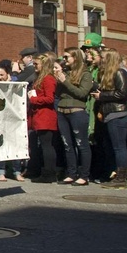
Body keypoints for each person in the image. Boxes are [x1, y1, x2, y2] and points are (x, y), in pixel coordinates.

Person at [53, 48, 94, 185]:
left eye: (67, 57)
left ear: (75, 58)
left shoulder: (85, 74)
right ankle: (71, 173)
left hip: (77, 111)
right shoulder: (66, 73)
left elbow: (82, 93)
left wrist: (65, 81)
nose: (64, 60)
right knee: (67, 144)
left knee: (81, 144)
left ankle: (84, 175)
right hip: (62, 110)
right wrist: (58, 79)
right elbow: (58, 93)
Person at [93, 49, 127, 188]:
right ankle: (117, 173)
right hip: (111, 113)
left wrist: (102, 96)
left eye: (103, 57)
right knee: (114, 146)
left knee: (119, 146)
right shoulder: (107, 74)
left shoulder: (120, 72)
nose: (101, 60)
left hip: (119, 113)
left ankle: (122, 177)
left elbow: (122, 93)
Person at [24, 54, 59, 184]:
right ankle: (45, 172)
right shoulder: (41, 78)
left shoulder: (48, 79)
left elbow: (50, 98)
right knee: (43, 145)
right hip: (39, 115)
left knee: (46, 145)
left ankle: (49, 173)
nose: (34, 66)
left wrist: (34, 99)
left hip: (46, 115)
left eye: (36, 64)